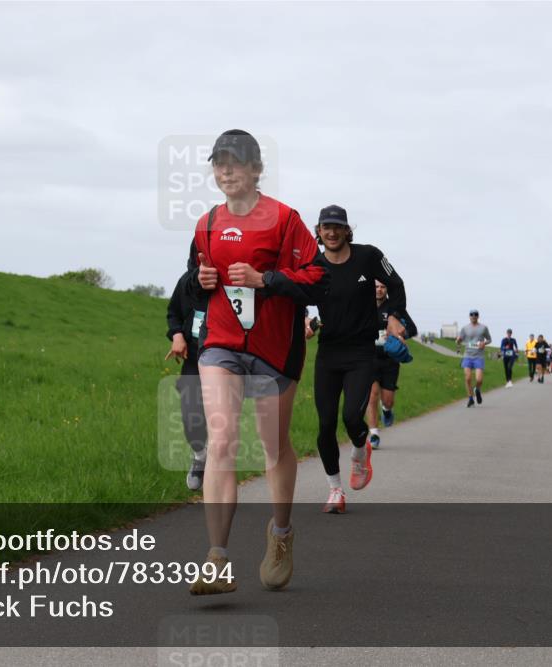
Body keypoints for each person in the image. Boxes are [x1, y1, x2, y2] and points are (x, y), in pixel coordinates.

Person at [187, 130, 328, 594]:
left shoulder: (285, 219)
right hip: (221, 342)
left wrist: (265, 279)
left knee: (274, 446)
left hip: (274, 349)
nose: (225, 171)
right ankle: (217, 559)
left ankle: (281, 534)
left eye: (235, 162)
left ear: (256, 169)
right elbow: (191, 284)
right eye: (219, 163)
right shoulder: (207, 223)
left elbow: (318, 280)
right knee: (222, 439)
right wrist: (199, 280)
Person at [312, 205, 409, 514]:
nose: (332, 232)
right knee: (326, 424)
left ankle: (359, 452)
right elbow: (298, 295)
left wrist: (394, 315)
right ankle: (335, 490)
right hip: (328, 352)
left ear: (347, 230)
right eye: (326, 227)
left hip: (360, 353)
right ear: (319, 231)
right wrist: (306, 322)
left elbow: (396, 284)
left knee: (352, 418)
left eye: (337, 227)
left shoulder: (368, 256)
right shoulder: (313, 263)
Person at [165, 243, 208, 490]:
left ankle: (221, 477)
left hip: (226, 358)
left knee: (222, 418)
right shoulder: (186, 281)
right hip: (194, 358)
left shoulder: (232, 282)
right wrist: (177, 335)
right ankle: (200, 456)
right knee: (191, 414)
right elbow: (173, 313)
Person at [365, 279, 417, 450]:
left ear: (387, 290)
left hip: (390, 360)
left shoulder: (394, 308)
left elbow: (413, 329)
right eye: (376, 287)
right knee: (372, 395)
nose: (379, 290)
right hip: (370, 358)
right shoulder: (363, 305)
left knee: (387, 400)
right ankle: (374, 434)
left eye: (382, 287)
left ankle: (387, 410)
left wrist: (401, 335)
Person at [456, 310, 492, 407]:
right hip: (467, 355)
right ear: (469, 316)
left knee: (479, 380)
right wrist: (458, 340)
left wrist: (484, 343)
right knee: (467, 378)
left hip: (479, 356)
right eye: (471, 315)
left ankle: (477, 389)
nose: (473, 316)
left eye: (475, 314)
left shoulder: (483, 328)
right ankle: (470, 398)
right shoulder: (465, 328)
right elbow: (459, 341)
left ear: (478, 316)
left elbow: (489, 339)